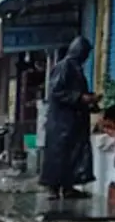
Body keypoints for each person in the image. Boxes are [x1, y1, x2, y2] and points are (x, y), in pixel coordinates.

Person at [40, 36, 98, 200]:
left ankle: (68, 187)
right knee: (59, 155)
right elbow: (56, 91)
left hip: (73, 122)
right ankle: (53, 187)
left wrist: (89, 101)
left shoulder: (75, 68)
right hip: (62, 122)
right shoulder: (65, 66)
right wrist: (80, 98)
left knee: (72, 155)